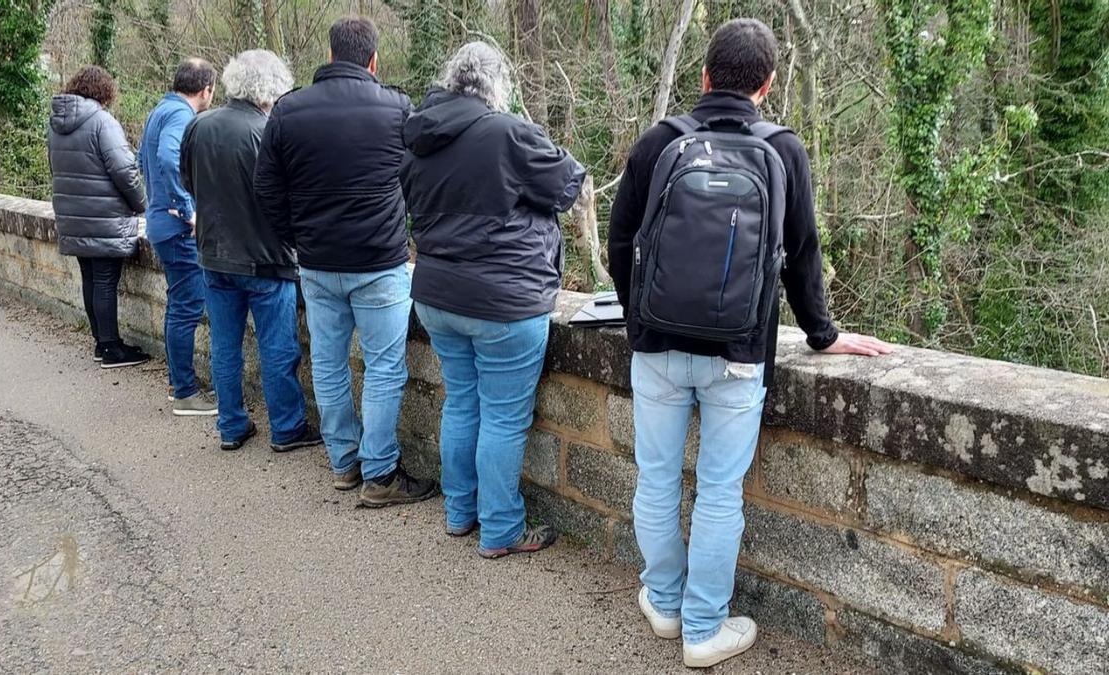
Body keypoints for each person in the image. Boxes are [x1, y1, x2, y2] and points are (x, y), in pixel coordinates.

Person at [607, 19, 893, 668]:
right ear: (766, 86)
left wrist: (639, 319)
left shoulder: (658, 142)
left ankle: (665, 602)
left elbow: (620, 242)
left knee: (656, 479)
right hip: (739, 353)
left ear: (704, 77)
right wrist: (823, 334)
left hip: (655, 347)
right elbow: (801, 255)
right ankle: (703, 628)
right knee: (718, 490)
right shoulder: (783, 149)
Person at [400, 42, 586, 558]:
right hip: (504, 299)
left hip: (437, 294)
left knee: (461, 401)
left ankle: (460, 512)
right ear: (496, 85)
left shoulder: (417, 138)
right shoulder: (508, 133)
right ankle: (500, 528)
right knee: (503, 417)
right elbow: (568, 183)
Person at [254, 15, 434, 505]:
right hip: (379, 261)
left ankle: (344, 463)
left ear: (330, 56)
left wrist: (297, 238)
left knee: (329, 364)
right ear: (373, 60)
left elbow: (266, 189)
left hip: (316, 262)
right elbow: (419, 181)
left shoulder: (287, 111)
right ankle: (379, 473)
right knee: (383, 367)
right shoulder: (396, 106)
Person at [179, 50, 323, 453]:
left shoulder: (199, 126)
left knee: (225, 346)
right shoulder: (267, 131)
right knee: (278, 347)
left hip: (213, 253)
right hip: (265, 258)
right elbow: (289, 198)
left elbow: (188, 181)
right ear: (272, 88)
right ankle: (287, 427)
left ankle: (231, 425)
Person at [46, 65, 150, 369]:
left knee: (90, 278)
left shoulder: (55, 124)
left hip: (72, 216)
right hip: (104, 218)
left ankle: (100, 341)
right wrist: (142, 203)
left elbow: (55, 169)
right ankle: (110, 348)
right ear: (104, 91)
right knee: (104, 281)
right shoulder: (103, 123)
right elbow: (124, 171)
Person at [139, 57, 218, 416]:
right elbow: (169, 159)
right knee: (187, 308)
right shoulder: (180, 116)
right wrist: (187, 210)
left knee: (177, 306)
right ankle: (186, 392)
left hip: (158, 223)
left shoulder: (160, 110)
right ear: (206, 90)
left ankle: (178, 384)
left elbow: (143, 160)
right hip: (176, 229)